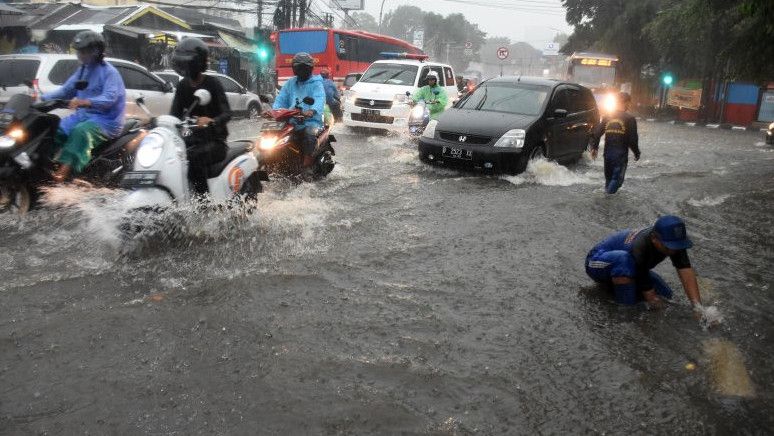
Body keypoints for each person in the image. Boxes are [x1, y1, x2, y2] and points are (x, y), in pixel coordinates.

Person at [42, 31, 125, 182]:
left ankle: (63, 174)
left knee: (80, 132)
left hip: (106, 121)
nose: (80, 54)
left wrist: (86, 102)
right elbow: (65, 90)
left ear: (96, 51)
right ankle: (44, 165)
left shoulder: (110, 72)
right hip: (83, 116)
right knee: (55, 129)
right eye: (79, 51)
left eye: (84, 51)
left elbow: (110, 98)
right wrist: (40, 99)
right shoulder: (82, 70)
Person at [585, 215, 706, 316]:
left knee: (666, 295)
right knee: (624, 261)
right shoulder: (640, 246)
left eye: (676, 247)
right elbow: (645, 283)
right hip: (596, 262)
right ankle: (625, 311)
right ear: (654, 239)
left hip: (633, 267)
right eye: (669, 247)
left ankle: (618, 286)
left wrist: (698, 308)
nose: (673, 251)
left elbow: (686, 273)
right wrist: (654, 304)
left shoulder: (674, 244)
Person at [169, 37, 232, 194]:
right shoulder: (182, 85)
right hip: (190, 140)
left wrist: (212, 121)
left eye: (188, 63)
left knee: (193, 158)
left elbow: (227, 113)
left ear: (197, 63)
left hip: (215, 141)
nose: (186, 67)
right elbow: (174, 114)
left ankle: (202, 202)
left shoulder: (213, 84)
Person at [267, 52, 325, 171]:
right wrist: (273, 112)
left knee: (309, 135)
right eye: (298, 68)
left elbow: (319, 98)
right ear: (294, 69)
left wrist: (312, 111)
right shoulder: (290, 83)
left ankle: (307, 166)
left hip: (310, 121)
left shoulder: (316, 84)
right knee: (270, 132)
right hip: (291, 119)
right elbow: (280, 99)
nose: (301, 71)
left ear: (310, 69)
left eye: (304, 68)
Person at [588, 92, 640, 194]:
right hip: (620, 157)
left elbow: (597, 133)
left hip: (607, 155)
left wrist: (595, 148)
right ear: (627, 103)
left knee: (608, 180)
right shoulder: (630, 119)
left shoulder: (607, 117)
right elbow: (633, 140)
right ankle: (606, 200)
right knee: (617, 181)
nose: (629, 106)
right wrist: (637, 153)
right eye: (629, 103)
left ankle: (606, 205)